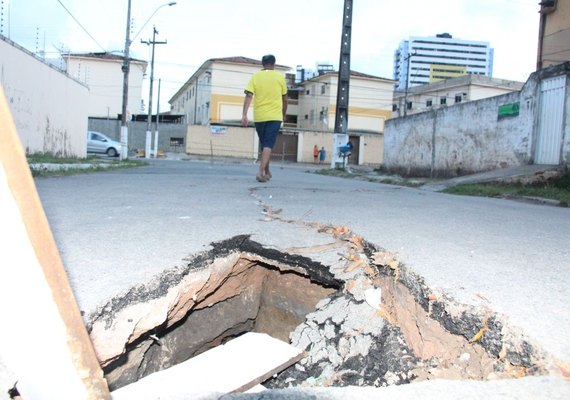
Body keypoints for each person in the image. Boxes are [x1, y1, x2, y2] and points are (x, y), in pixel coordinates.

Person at [241, 54, 288, 182]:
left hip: (259, 117)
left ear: (263, 64)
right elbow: (285, 99)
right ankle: (260, 172)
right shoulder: (280, 78)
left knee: (264, 145)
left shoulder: (255, 77)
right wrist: (284, 114)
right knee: (268, 144)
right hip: (274, 117)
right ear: (274, 64)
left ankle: (267, 171)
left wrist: (244, 114)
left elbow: (249, 96)